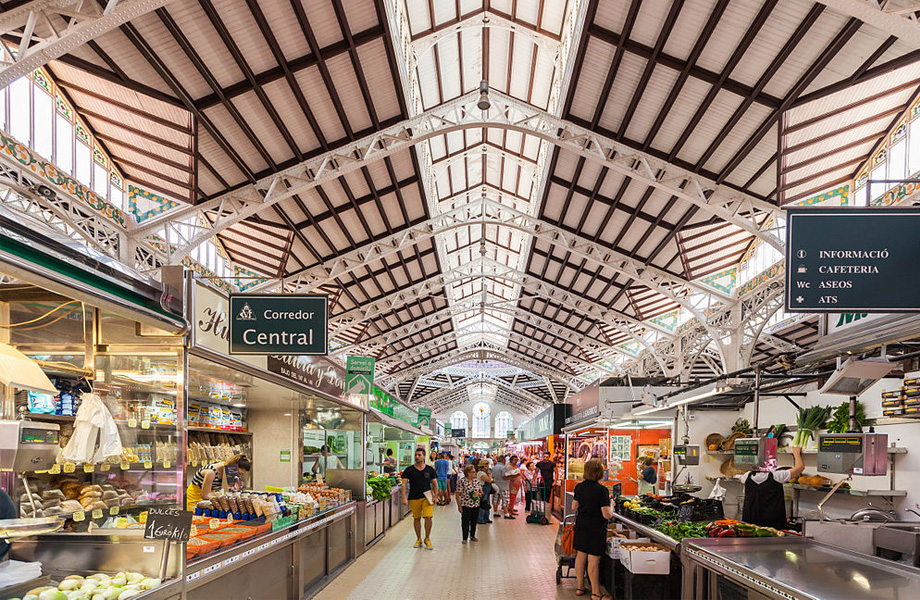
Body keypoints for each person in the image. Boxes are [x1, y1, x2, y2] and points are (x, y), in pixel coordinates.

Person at [572, 458, 614, 600]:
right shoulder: (602, 490)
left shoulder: (579, 487)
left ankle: (580, 587)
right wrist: (612, 505)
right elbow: (606, 514)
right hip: (595, 527)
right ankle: (596, 593)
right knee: (594, 561)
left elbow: (574, 507)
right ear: (600, 472)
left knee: (581, 556)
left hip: (581, 524)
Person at [738, 446, 804, 530]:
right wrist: (797, 454)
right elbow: (800, 468)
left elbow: (740, 479)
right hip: (773, 526)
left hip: (750, 524)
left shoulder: (747, 476)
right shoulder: (777, 476)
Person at [401, 447, 438, 549]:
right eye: (416, 455)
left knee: (428, 517)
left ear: (424, 456)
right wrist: (404, 497)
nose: (417, 457)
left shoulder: (430, 470)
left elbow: (435, 484)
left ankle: (427, 538)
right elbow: (404, 484)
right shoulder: (409, 470)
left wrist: (435, 496)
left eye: (419, 455)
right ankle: (418, 539)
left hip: (427, 497)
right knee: (416, 518)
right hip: (414, 497)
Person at [186, 454, 251, 510]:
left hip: (209, 498)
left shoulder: (228, 470)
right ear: (233, 467)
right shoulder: (211, 473)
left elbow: (234, 491)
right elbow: (205, 495)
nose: (238, 476)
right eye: (240, 473)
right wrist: (222, 500)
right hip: (195, 499)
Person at [456, 465, 483, 543]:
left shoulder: (476, 481)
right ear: (468, 473)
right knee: (465, 521)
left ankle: (472, 535)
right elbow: (457, 494)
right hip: (465, 504)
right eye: (473, 472)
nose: (475, 473)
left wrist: (478, 494)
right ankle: (464, 537)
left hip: (476, 504)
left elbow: (481, 492)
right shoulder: (461, 481)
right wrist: (459, 506)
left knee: (474, 521)